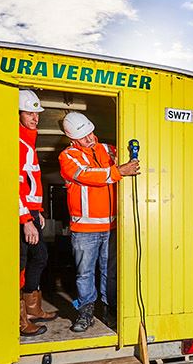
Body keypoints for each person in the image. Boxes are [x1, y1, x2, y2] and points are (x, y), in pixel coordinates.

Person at [58, 112, 140, 332]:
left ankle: (108, 310)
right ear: (72, 139)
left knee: (109, 271)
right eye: (84, 137)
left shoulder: (107, 149)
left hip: (112, 226)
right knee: (85, 273)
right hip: (85, 228)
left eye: (91, 133)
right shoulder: (67, 157)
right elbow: (87, 174)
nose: (90, 138)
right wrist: (119, 171)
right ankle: (86, 312)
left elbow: (125, 151)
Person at [18, 90, 57, 336]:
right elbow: (14, 183)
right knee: (19, 266)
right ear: (17, 114)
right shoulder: (17, 143)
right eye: (29, 112)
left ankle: (33, 308)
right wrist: (25, 220)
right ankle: (20, 321)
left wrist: (38, 211)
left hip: (30, 210)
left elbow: (32, 181)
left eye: (36, 113)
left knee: (40, 257)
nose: (35, 117)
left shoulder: (28, 142)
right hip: (19, 213)